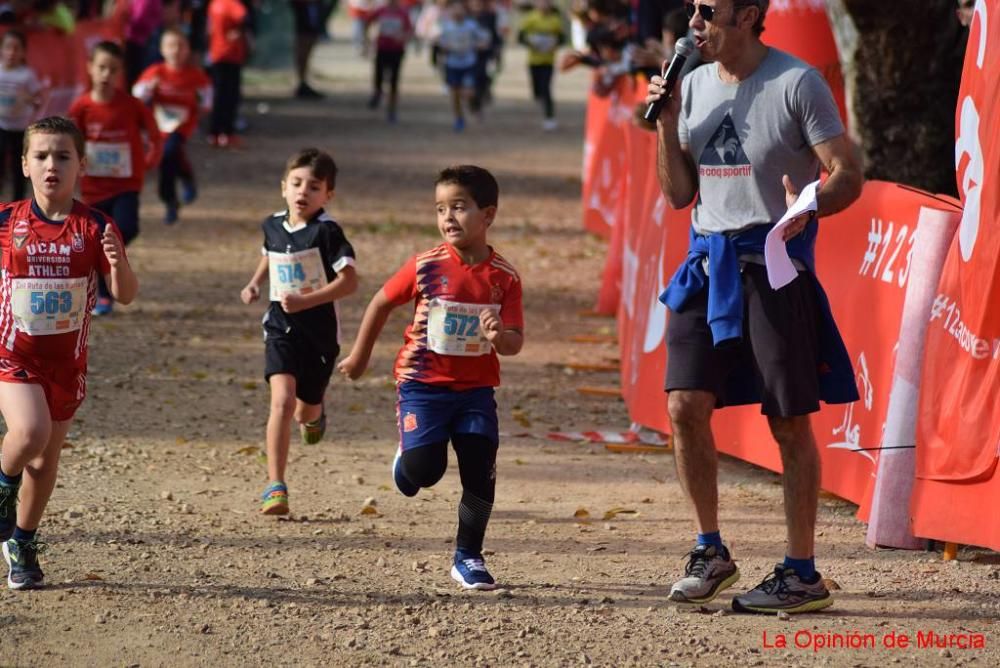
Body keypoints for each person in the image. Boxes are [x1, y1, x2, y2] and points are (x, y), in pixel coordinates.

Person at [644, 0, 863, 614]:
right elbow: (680, 194)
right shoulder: (690, 87)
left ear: (749, 15)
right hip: (706, 261)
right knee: (684, 405)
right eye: (691, 8)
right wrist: (664, 122)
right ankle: (709, 550)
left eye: (708, 10)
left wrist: (810, 206)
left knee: (788, 422)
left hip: (772, 262)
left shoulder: (797, 82)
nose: (694, 21)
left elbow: (848, 173)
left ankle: (801, 573)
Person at [337, 165, 524, 590]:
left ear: (488, 214)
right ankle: (408, 460)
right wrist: (360, 356)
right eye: (441, 209)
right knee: (424, 472)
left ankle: (468, 556)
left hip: (476, 390)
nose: (448, 218)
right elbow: (380, 303)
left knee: (480, 467)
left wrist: (500, 337)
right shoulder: (425, 265)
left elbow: (515, 342)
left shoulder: (505, 278)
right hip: (422, 385)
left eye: (459, 207)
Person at [0, 116, 139, 590]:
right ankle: (1, 488)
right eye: (40, 156)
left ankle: (22, 538)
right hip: (13, 356)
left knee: (44, 459)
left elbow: (125, 294)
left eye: (62, 156)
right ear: (24, 164)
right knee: (29, 432)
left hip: (67, 364)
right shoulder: (6, 221)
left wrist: (118, 266)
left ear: (81, 164)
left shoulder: (96, 225)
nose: (51, 165)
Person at [240, 148, 358, 515]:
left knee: (304, 411)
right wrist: (255, 283)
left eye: (314, 186)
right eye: (296, 184)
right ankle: (276, 485)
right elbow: (269, 253)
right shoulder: (272, 225)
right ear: (283, 187)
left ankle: (316, 416)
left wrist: (310, 301)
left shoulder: (327, 232)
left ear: (328, 195)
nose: (303, 192)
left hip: (319, 334)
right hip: (280, 326)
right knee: (282, 400)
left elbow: (350, 282)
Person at [68, 40, 162, 317]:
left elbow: (154, 133)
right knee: (99, 238)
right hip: (95, 188)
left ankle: (104, 276)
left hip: (125, 185)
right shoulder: (82, 107)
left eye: (113, 69)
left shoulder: (131, 105)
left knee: (127, 228)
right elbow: (69, 143)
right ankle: (104, 293)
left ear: (121, 72)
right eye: (101, 68)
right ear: (90, 69)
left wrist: (148, 161)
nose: (107, 74)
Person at [133, 28, 213, 224]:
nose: (175, 50)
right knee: (170, 157)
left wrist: (202, 105)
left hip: (183, 124)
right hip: (160, 124)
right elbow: (136, 94)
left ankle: (171, 198)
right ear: (162, 49)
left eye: (180, 46)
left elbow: (207, 98)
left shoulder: (195, 75)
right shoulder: (156, 72)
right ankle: (182, 184)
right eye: (170, 46)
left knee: (169, 153)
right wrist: (149, 90)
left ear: (187, 50)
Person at [0, 30, 42, 201]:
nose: (12, 52)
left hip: (20, 129)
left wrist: (30, 99)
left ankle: (18, 204)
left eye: (17, 48)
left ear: (23, 52)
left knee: (19, 167)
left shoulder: (27, 75)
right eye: (8, 47)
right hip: (1, 125)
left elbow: (38, 100)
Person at [437, 0, 490, 132]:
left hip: (468, 63)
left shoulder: (471, 26)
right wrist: (444, 46)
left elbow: (484, 38)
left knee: (468, 92)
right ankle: (459, 118)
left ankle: (474, 105)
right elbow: (440, 43)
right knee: (454, 94)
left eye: (460, 9)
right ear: (450, 11)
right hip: (452, 64)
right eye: (455, 9)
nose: (457, 12)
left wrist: (481, 44)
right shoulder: (446, 26)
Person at [517, 0, 565, 130]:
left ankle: (550, 117)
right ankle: (540, 100)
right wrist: (531, 43)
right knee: (537, 90)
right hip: (533, 61)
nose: (544, 5)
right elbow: (520, 37)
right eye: (541, 2)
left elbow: (562, 38)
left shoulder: (555, 20)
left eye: (546, 3)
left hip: (548, 61)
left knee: (546, 88)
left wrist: (554, 44)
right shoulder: (531, 18)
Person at [207, 0, 249, 147]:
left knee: (219, 95)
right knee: (230, 95)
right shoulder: (232, 4)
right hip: (231, 54)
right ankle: (227, 132)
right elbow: (244, 17)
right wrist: (240, 32)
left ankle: (215, 132)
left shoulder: (214, 3)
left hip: (216, 53)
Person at [366, 0, 413, 123]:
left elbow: (410, 30)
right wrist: (368, 38)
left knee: (394, 81)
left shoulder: (403, 13)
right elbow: (368, 21)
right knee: (379, 75)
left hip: (396, 50)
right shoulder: (381, 10)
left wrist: (403, 37)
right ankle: (377, 93)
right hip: (382, 48)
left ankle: (392, 110)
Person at [290, 0, 326, 99]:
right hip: (305, 9)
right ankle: (301, 83)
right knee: (303, 46)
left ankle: (302, 82)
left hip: (310, 9)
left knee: (307, 45)